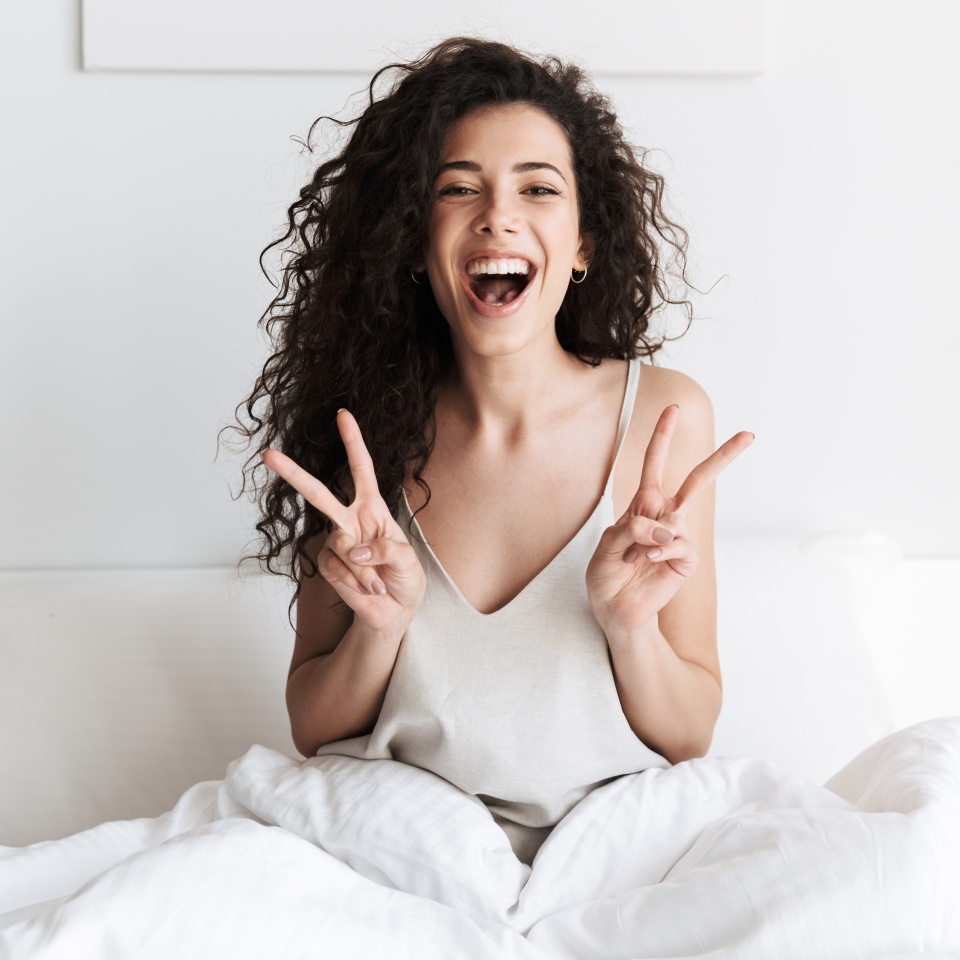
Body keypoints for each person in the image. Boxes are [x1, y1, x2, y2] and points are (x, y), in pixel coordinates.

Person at [239, 37, 754, 865]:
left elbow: (690, 733)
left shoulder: (664, 417)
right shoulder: (362, 431)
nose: (498, 215)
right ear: (413, 242)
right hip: (399, 851)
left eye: (538, 188)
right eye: (458, 189)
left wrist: (629, 628)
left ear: (585, 244)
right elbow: (314, 728)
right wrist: (382, 628)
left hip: (613, 853)